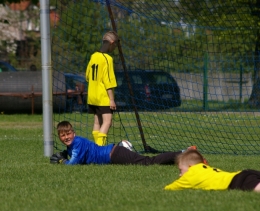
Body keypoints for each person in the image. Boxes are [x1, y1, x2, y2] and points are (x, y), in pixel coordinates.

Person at [50, 121, 196, 166]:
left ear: (73, 133)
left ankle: (184, 153)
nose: (66, 137)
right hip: (114, 152)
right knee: (147, 161)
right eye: (63, 135)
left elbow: (73, 163)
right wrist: (65, 153)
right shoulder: (73, 145)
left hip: (115, 155)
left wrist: (63, 161)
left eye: (68, 134)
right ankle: (181, 158)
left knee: (148, 162)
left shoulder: (78, 143)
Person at [164, 149, 260, 192]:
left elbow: (169, 188)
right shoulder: (206, 168)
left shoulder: (190, 175)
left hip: (237, 181)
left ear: (190, 166)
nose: (180, 175)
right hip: (243, 174)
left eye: (181, 170)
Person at [86, 31, 119, 146]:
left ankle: (95, 147)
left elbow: (87, 76)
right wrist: (111, 99)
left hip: (92, 96)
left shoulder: (93, 56)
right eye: (115, 46)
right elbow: (108, 81)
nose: (114, 48)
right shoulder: (107, 59)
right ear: (112, 43)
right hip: (102, 96)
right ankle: (99, 150)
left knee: (97, 122)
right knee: (107, 122)